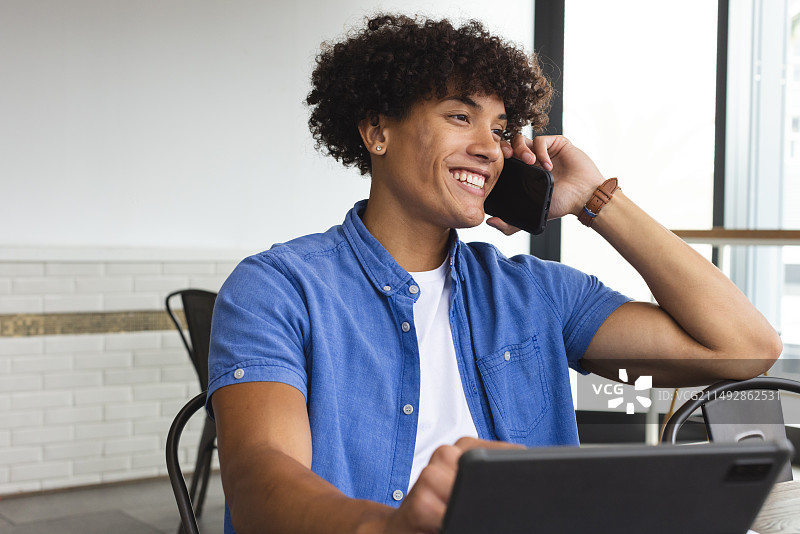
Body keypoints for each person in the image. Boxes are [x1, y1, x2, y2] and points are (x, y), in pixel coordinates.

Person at [207, 14, 781, 534]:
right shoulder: (278, 288)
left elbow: (745, 348)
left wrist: (597, 200)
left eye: (504, 130)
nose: (491, 148)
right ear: (376, 131)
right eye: (461, 117)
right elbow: (260, 479)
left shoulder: (537, 292)